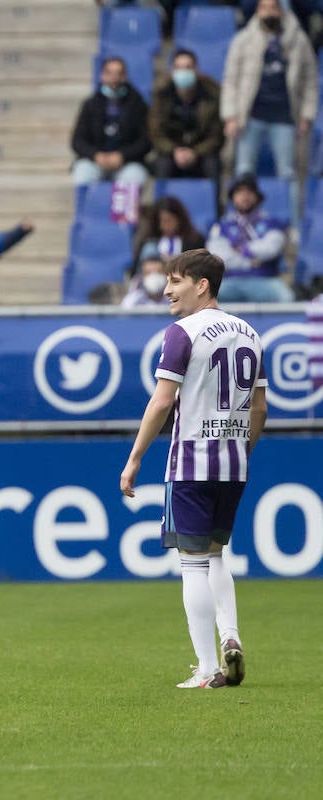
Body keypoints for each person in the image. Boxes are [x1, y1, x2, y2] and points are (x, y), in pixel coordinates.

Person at [120, 249, 264, 690]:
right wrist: (242, 449)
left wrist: (135, 457)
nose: (166, 290)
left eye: (176, 281)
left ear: (202, 285)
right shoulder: (250, 332)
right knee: (218, 554)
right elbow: (259, 408)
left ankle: (206, 668)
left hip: (190, 462)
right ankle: (231, 637)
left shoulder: (182, 332)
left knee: (193, 565)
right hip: (233, 463)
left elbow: (163, 400)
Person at [222, 0, 317, 231]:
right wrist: (230, 115)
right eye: (265, 7)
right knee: (243, 171)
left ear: (282, 11)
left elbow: (310, 81)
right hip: (250, 116)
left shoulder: (298, 40)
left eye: (274, 7)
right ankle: (237, 226)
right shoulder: (243, 39)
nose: (270, 12)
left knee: (288, 173)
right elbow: (230, 79)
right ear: (258, 10)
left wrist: (306, 115)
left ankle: (294, 227)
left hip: (284, 116)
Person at [206, 175, 294, 303]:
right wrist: (248, 262)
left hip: (265, 279)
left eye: (249, 192)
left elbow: (271, 249)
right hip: (230, 280)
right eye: (239, 192)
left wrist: (242, 249)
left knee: (286, 297)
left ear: (257, 196)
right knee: (205, 297)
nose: (244, 196)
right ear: (233, 197)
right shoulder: (221, 226)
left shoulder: (272, 222)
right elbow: (217, 257)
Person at [71, 56, 152, 186]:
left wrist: (122, 155)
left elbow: (145, 141)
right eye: (109, 73)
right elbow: (77, 141)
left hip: (127, 163)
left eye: (118, 73)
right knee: (83, 175)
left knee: (134, 178)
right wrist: (96, 155)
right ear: (102, 75)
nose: (114, 78)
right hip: (95, 161)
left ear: (125, 76)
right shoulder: (90, 105)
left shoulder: (138, 105)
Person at [149, 49, 224, 181]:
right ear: (172, 71)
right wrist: (174, 150)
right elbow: (156, 133)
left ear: (196, 70)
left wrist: (195, 152)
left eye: (188, 67)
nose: (183, 72)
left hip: (202, 152)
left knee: (213, 164)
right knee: (161, 164)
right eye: (178, 67)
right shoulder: (161, 96)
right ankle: (162, 201)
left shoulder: (211, 96)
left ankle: (214, 201)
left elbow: (216, 136)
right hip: (171, 151)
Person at [131, 196, 206, 269]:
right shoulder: (149, 242)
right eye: (161, 221)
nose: (164, 226)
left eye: (169, 220)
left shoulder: (194, 241)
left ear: (179, 219)